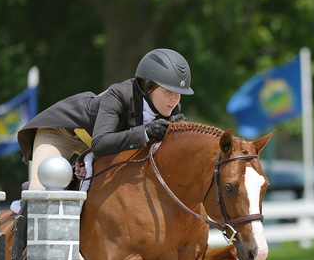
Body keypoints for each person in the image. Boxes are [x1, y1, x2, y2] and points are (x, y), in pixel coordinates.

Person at [17, 48, 194, 191]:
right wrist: (146, 132)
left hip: (95, 142)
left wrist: (179, 132)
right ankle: (22, 221)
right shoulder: (118, 95)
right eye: (168, 92)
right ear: (148, 88)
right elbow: (100, 144)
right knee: (41, 190)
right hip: (61, 134)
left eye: (179, 94)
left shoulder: (169, 107)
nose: (174, 99)